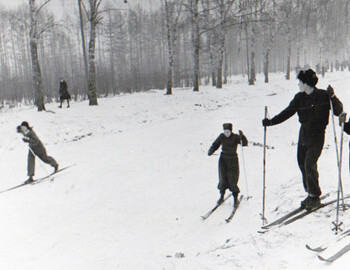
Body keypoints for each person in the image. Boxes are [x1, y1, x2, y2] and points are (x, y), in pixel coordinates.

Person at [262, 69, 344, 210]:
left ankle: (315, 196)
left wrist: (333, 96)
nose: (298, 84)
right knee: (301, 163)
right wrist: (271, 122)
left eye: (300, 82)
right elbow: (287, 112)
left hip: (317, 135)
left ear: (307, 83)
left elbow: (338, 111)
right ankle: (310, 193)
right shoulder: (299, 98)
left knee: (309, 164)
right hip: (304, 134)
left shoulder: (323, 96)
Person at [208, 123, 248, 207]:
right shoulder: (221, 136)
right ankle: (221, 196)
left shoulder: (235, 137)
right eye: (225, 131)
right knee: (222, 178)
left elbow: (244, 143)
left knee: (232, 179)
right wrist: (211, 150)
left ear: (231, 131)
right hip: (223, 160)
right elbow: (215, 144)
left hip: (233, 160)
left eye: (228, 131)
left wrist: (242, 136)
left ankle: (235, 199)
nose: (226, 133)